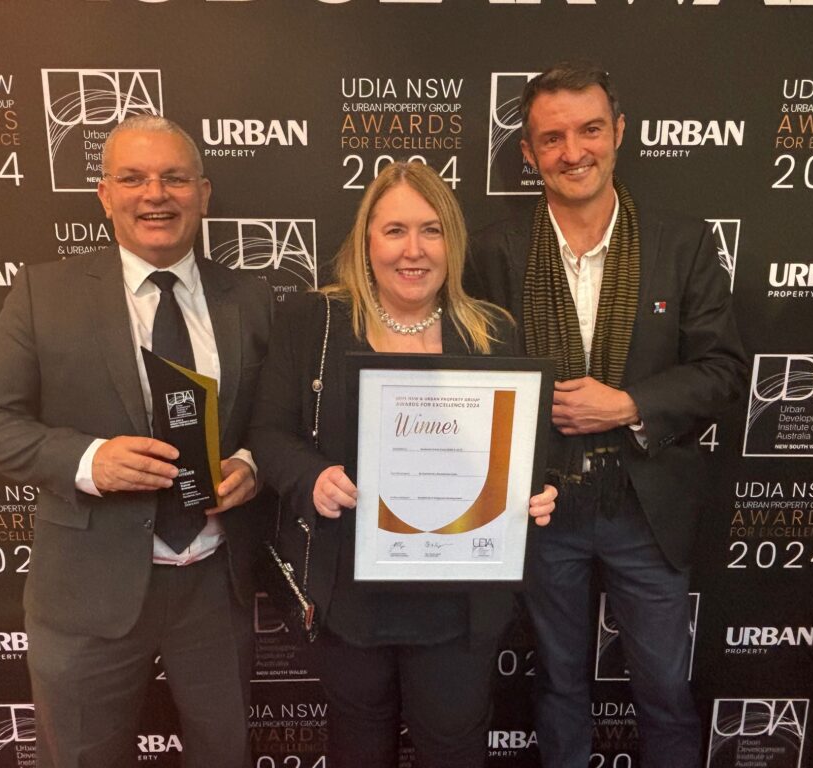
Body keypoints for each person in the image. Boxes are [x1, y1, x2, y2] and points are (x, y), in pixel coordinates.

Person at [0, 115, 272, 768]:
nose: (155, 194)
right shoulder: (44, 294)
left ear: (203, 193)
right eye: (133, 178)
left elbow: (278, 420)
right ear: (105, 195)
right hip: (86, 592)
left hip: (215, 588)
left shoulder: (252, 297)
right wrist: (88, 460)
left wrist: (251, 463)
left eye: (174, 178)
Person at [466, 62, 748, 768]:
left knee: (664, 690)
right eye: (552, 138)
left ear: (619, 132)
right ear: (528, 152)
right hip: (540, 508)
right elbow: (468, 381)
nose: (574, 152)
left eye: (590, 130)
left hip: (646, 506)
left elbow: (723, 370)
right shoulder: (493, 251)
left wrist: (628, 405)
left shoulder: (682, 243)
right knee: (558, 684)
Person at [249, 161, 557, 768]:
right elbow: (268, 433)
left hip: (459, 601)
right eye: (394, 230)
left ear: (453, 242)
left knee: (454, 750)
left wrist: (532, 493)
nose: (413, 250)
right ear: (367, 241)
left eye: (431, 230)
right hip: (348, 594)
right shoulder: (314, 321)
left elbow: (517, 449)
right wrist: (312, 477)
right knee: (358, 749)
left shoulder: (492, 331)